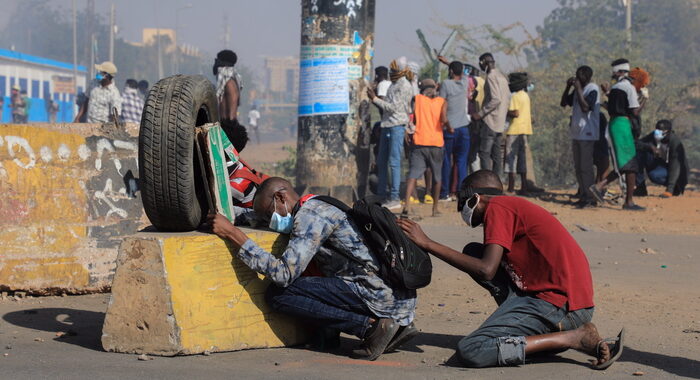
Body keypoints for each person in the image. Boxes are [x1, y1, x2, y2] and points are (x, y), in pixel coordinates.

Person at [397, 170, 624, 369]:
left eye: (461, 204)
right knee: (473, 251)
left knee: (473, 350)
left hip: (561, 306)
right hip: (566, 301)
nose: (462, 212)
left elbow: (486, 270)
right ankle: (547, 333)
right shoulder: (510, 206)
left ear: (475, 198)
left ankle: (573, 338)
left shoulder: (498, 208)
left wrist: (428, 243)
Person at [207, 177, 418, 361]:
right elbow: (251, 216)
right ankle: (388, 327)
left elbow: (284, 274)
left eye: (267, 215)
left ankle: (372, 327)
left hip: (378, 294)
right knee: (313, 277)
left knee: (279, 294)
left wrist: (235, 235)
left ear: (280, 198)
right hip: (394, 298)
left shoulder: (310, 217)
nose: (267, 223)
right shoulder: (317, 204)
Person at [589, 59, 646, 211]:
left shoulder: (615, 88)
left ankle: (600, 187)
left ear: (619, 72)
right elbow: (634, 111)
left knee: (627, 164)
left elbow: (611, 109)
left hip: (616, 125)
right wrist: (645, 100)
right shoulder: (628, 88)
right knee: (629, 165)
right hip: (622, 126)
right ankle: (628, 202)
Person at [367, 57, 414, 210]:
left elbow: (393, 107)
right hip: (387, 124)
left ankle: (394, 197)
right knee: (381, 161)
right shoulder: (394, 85)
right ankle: (381, 195)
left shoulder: (404, 86)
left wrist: (374, 99)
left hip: (397, 126)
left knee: (394, 162)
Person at [403, 78, 447, 217]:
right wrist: (449, 127)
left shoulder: (417, 99)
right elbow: (444, 120)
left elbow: (411, 118)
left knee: (413, 175)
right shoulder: (442, 102)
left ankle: (407, 206)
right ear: (434, 88)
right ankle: (435, 209)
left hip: (419, 142)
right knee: (437, 177)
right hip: (436, 143)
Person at [560, 65, 601, 208]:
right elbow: (564, 103)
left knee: (586, 167)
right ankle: (583, 195)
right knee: (578, 167)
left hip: (588, 134)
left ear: (587, 77)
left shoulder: (592, 89)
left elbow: (586, 108)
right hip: (577, 133)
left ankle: (591, 198)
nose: (577, 78)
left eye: (580, 76)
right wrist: (568, 88)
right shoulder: (579, 90)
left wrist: (578, 89)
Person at [435, 59, 471, 202]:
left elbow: (441, 105)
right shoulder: (465, 83)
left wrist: (447, 124)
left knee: (446, 161)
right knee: (461, 162)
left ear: (450, 71)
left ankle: (444, 193)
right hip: (463, 128)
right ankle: (461, 193)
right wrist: (449, 63)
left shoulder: (445, 84)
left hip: (450, 129)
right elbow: (461, 70)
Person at [470, 53, 511, 178]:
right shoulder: (502, 77)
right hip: (499, 123)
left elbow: (496, 99)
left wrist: (480, 114)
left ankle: (487, 182)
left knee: (484, 153)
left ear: (484, 63)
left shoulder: (492, 77)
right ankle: (497, 182)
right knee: (497, 155)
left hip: (490, 121)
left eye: (480, 63)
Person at [634, 120, 688, 197]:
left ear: (668, 131)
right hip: (660, 163)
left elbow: (675, 167)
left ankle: (675, 187)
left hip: (675, 171)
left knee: (655, 175)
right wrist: (650, 147)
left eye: (661, 130)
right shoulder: (653, 136)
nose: (657, 132)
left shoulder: (675, 143)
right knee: (638, 153)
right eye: (657, 129)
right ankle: (640, 188)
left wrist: (669, 189)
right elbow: (638, 143)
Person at [504, 72, 535, 195]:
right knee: (522, 160)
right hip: (525, 130)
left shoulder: (515, 97)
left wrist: (505, 112)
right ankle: (524, 187)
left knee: (511, 159)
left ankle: (511, 188)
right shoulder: (525, 96)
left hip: (514, 130)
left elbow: (515, 113)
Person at [214, 49, 242, 121]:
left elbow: (231, 114)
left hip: (227, 127)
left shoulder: (227, 80)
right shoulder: (231, 79)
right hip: (228, 125)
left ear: (224, 64)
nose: (215, 64)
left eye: (217, 61)